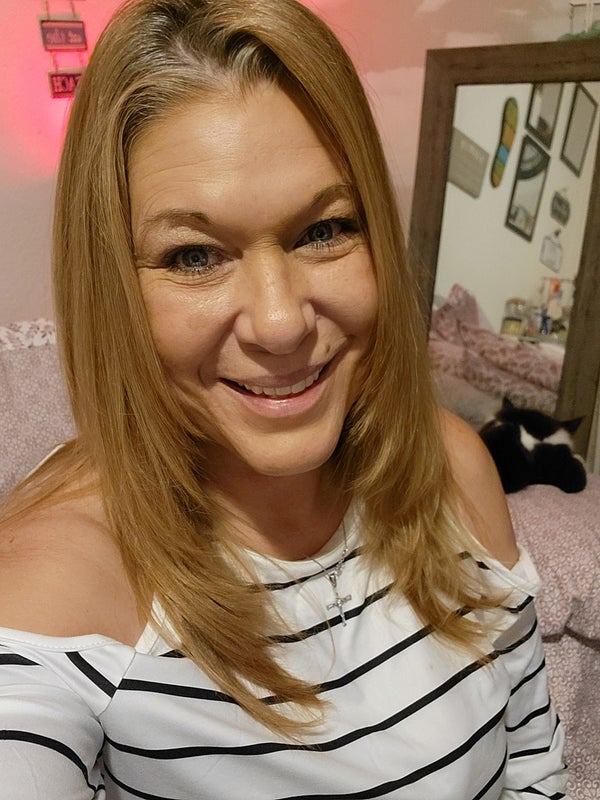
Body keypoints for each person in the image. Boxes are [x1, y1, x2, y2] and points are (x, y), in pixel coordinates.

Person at [0, 0, 569, 797]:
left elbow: (535, 763)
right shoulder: (61, 581)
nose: (280, 323)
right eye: (194, 256)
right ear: (111, 291)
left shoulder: (451, 465)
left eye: (323, 231)